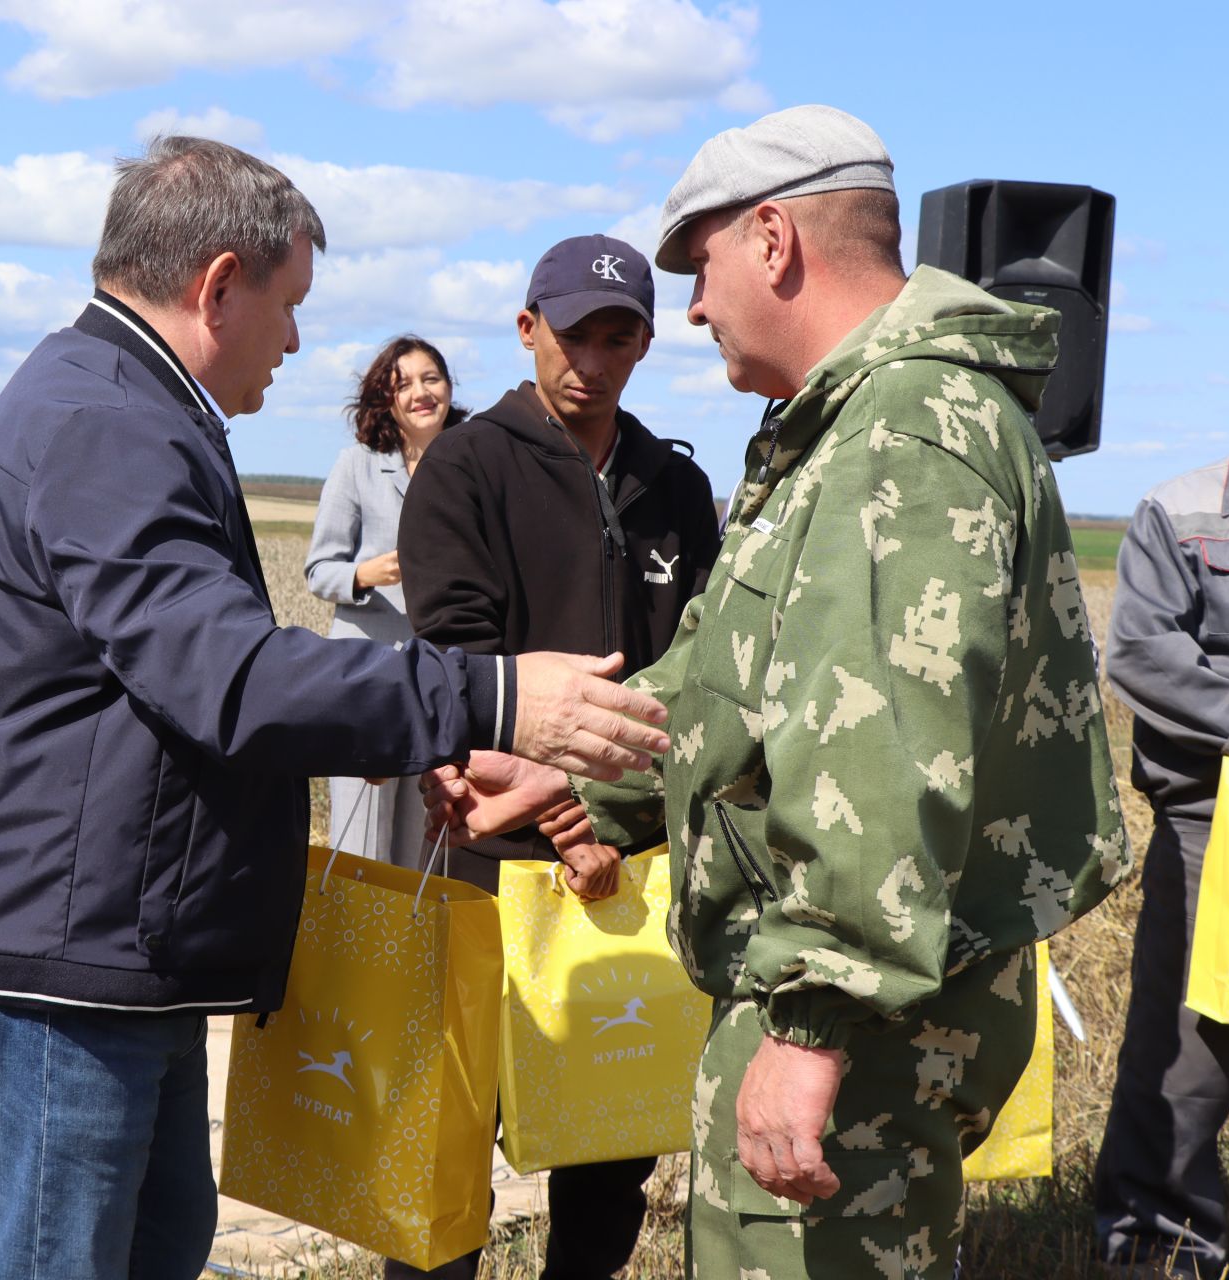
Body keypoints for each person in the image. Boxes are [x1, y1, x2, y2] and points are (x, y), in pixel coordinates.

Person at [0, 136, 673, 1280]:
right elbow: (232, 680)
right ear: (216, 287)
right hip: (54, 974)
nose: (297, 341)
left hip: (96, 946)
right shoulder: (108, 422)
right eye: (289, 305)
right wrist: (496, 695)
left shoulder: (120, 402)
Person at [424, 105, 1130, 1278]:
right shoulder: (849, 426)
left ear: (771, 239)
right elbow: (733, 681)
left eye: (696, 268)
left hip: (857, 1018)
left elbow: (885, 759)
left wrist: (811, 1024)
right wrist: (575, 772)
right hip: (845, 1000)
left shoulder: (901, 432)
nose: (690, 308)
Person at [389, 233, 721, 1280]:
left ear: (644, 346)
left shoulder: (674, 485)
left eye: (618, 337)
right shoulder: (467, 466)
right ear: (530, 329)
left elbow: (702, 669)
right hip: (483, 840)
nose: (592, 358)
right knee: (448, 1134)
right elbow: (457, 655)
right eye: (573, 332)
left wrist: (605, 809)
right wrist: (555, 806)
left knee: (610, 1136)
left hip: (629, 854)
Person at [1091, 313, 1229, 1280]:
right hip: (1214, 826)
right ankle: (1162, 1253)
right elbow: (1141, 651)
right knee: (1186, 1062)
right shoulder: (1184, 509)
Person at [306, 336, 469, 866]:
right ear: (386, 400)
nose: (421, 393)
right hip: (368, 679)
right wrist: (366, 573)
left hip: (444, 683)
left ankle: (413, 953)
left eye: (431, 379)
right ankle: (350, 951)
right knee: (362, 852)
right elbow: (318, 570)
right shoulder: (356, 464)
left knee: (426, 854)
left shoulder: (473, 465)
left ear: (448, 388)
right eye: (403, 384)